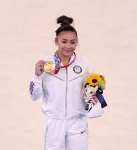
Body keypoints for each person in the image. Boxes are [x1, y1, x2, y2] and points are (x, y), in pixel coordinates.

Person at [29, 15, 104, 150]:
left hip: (77, 121)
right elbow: (34, 96)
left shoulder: (85, 65)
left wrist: (96, 98)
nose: (68, 46)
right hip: (54, 122)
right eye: (64, 41)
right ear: (56, 41)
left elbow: (96, 90)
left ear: (77, 43)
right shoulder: (45, 64)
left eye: (72, 42)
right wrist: (37, 76)